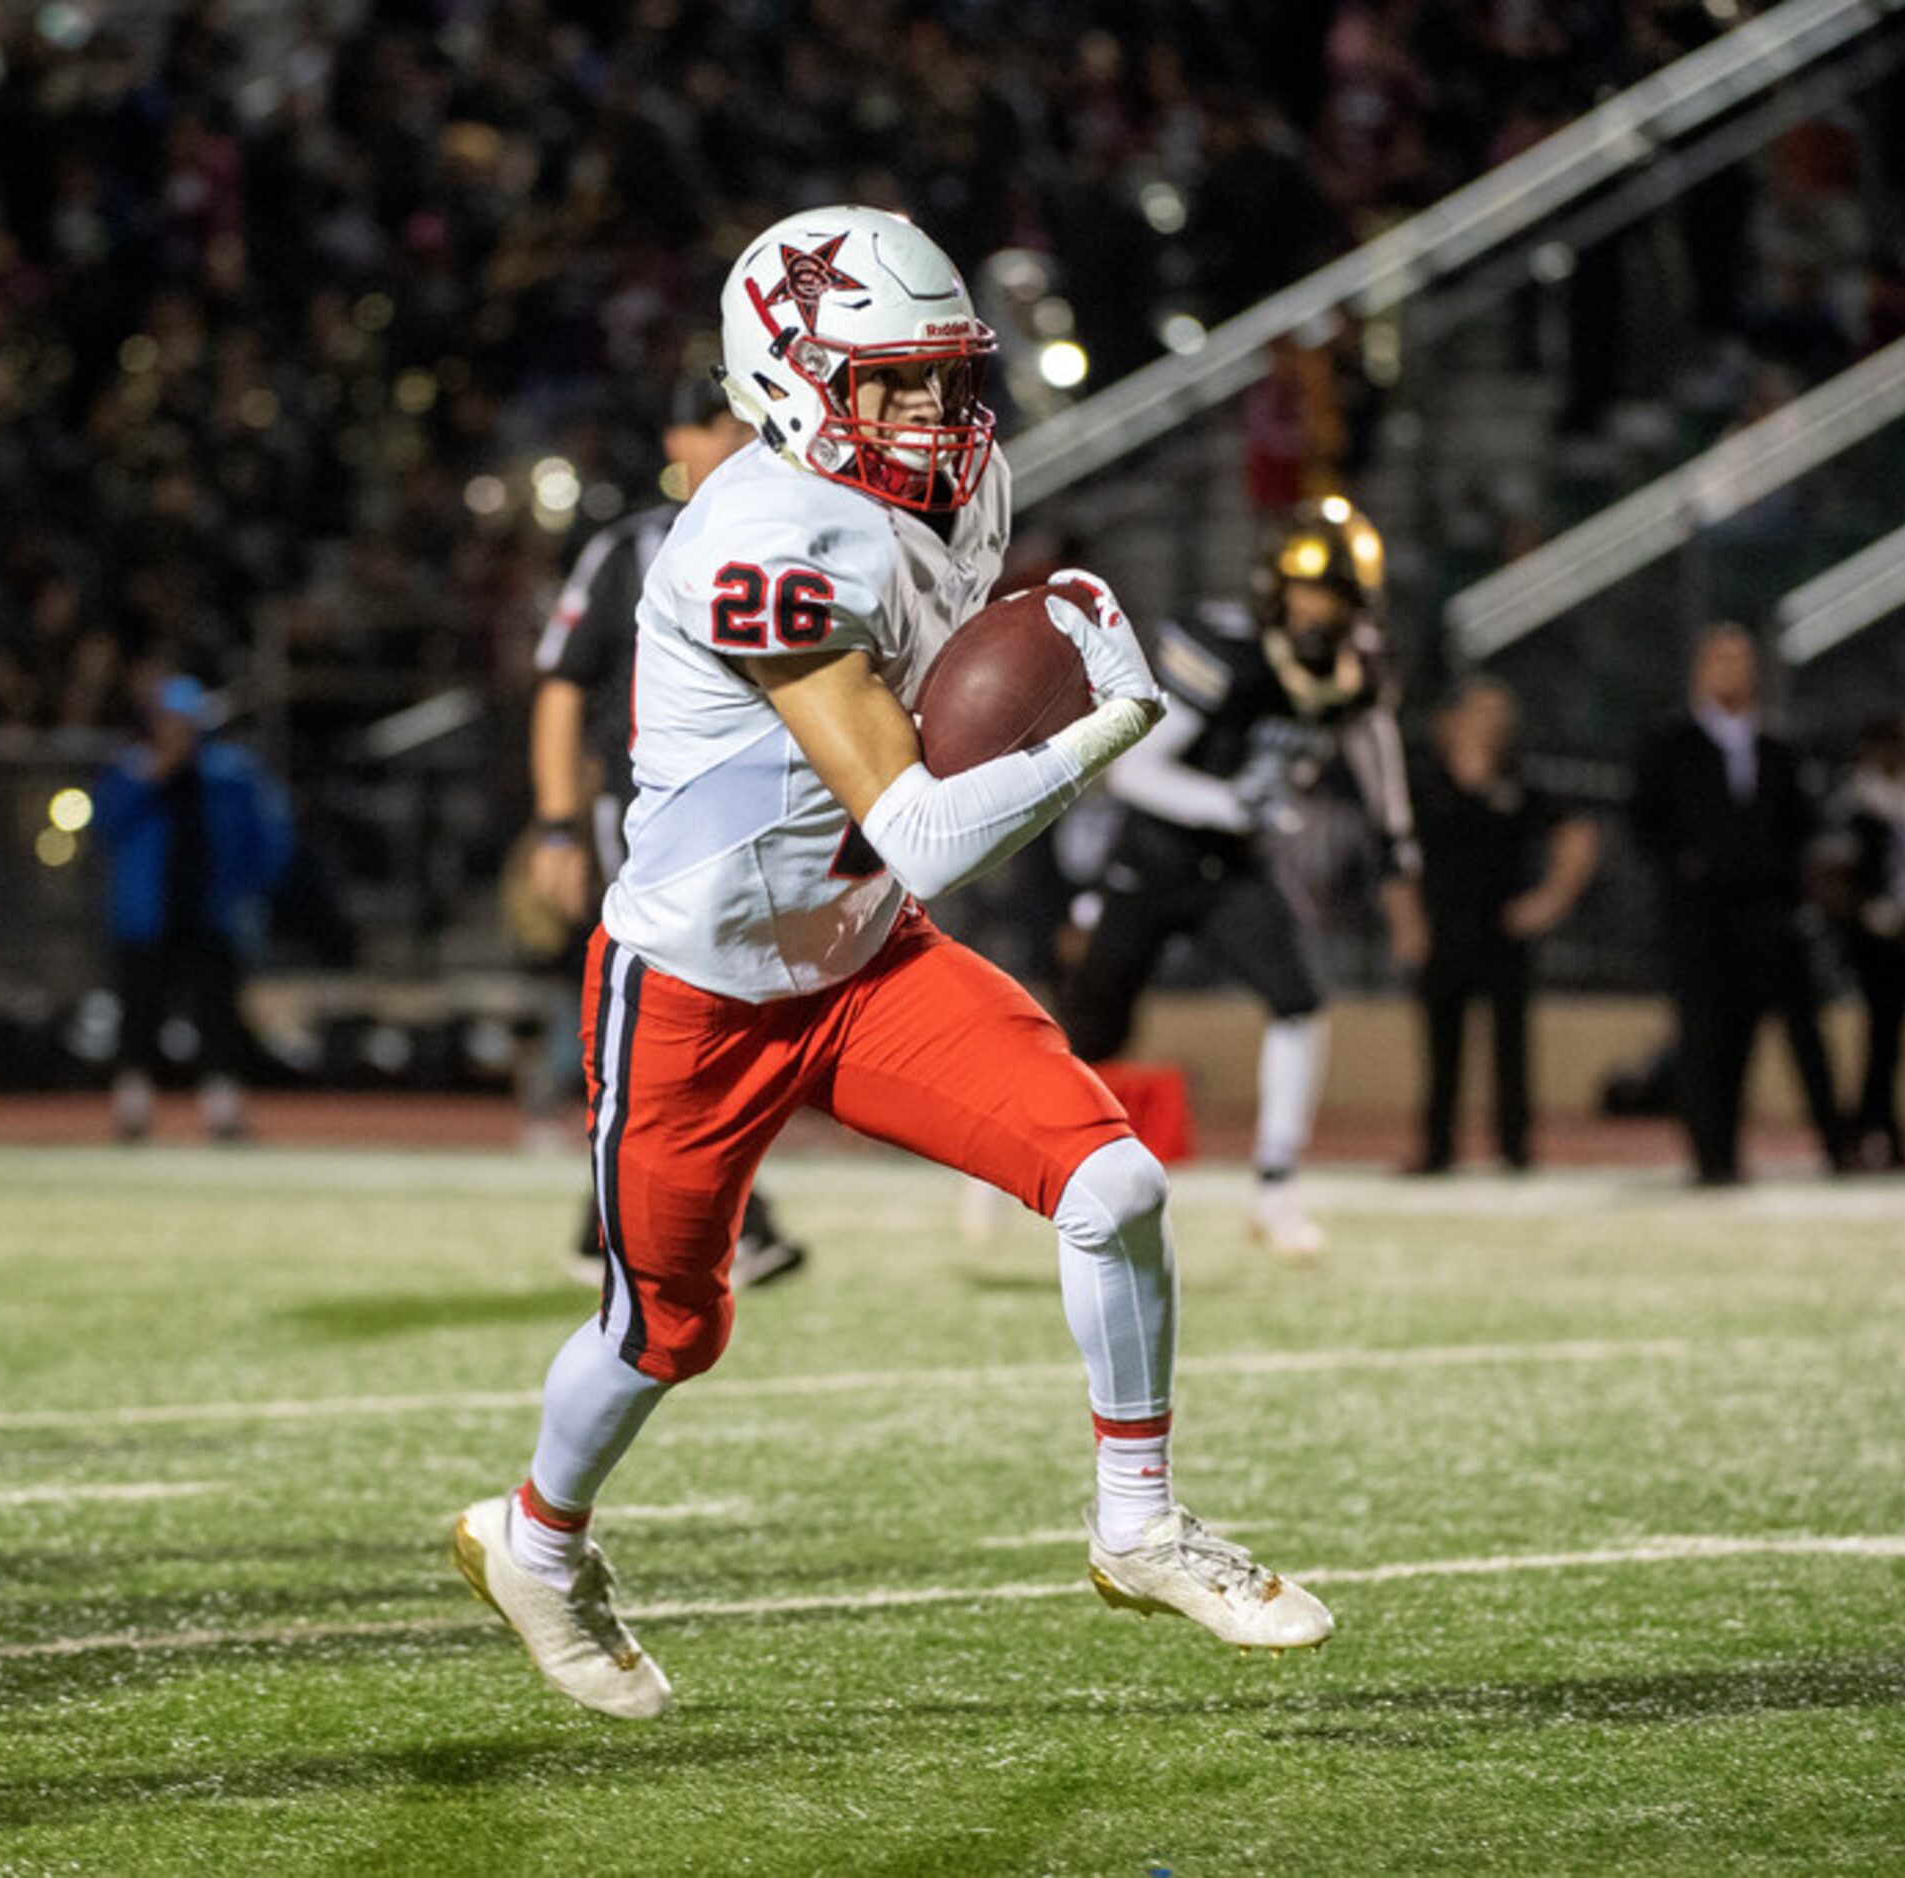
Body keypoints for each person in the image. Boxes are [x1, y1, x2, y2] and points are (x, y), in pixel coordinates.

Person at [451, 206, 1332, 1722]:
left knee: (1115, 1183)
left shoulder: (966, 479)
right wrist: (1103, 723)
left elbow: (941, 714)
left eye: (944, 375)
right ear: (789, 380)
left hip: (861, 961)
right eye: (891, 382)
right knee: (667, 1325)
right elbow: (925, 823)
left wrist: (1031, 655)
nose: (934, 414)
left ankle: (1137, 1520)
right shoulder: (754, 538)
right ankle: (538, 1540)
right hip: (702, 990)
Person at [1058, 496, 1422, 1256]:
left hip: (1233, 867)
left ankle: (1277, 1188)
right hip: (1153, 856)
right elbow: (1132, 774)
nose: (1323, 610)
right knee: (1093, 1029)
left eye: (1339, 596)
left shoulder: (1357, 664)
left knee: (1299, 1000)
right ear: (1276, 588)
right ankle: (1010, 1164)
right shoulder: (1228, 650)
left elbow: (1373, 739)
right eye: (1312, 590)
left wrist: (1396, 843)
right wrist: (1228, 802)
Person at [526, 373, 807, 1290]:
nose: (728, 443)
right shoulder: (633, 548)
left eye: (740, 426)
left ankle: (615, 1217)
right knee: (674, 994)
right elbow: (563, 686)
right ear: (677, 440)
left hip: (759, 809)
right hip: (655, 812)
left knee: (719, 1005)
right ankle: (691, 1219)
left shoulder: (790, 531)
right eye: (712, 426)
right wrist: (561, 826)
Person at [1628, 625, 1848, 1185]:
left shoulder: (1776, 747)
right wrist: (1687, 867)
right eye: (1719, 660)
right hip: (1697, 919)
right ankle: (1712, 1154)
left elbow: (1802, 826)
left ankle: (1832, 1144)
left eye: (1740, 661)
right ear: (1700, 669)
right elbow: (1643, 823)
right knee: (1703, 1037)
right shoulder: (1670, 743)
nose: (1730, 671)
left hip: (1766, 915)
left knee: (1758, 1033)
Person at [1402, 677, 1597, 1174]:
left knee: (1511, 1045)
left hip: (1503, 931)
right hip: (1444, 927)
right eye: (1482, 712)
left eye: (1500, 715)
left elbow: (1577, 837)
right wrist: (1407, 921)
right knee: (1441, 1046)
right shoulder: (1426, 784)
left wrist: (1549, 902)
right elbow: (1395, 858)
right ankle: (1437, 1149)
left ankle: (1515, 1148)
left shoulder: (1519, 782)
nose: (1492, 724)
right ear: (1457, 718)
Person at [95, 674, 294, 1142]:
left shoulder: (229, 774)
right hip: (147, 917)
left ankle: (223, 1113)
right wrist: (153, 777)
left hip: (210, 914)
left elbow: (266, 838)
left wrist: (248, 890)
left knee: (218, 1018)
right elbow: (103, 826)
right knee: (140, 1016)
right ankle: (133, 1112)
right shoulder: (136, 771)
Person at [1817, 718, 1905, 1172]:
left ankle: (1875, 1123)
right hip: (1865, 938)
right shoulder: (1853, 804)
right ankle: (1872, 1125)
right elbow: (1831, 875)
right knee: (1881, 1037)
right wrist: (1868, 910)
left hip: (1904, 935)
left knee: (1891, 1038)